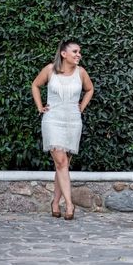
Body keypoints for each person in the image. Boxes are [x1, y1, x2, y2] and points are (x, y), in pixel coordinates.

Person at [32, 40, 94, 220]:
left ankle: (54, 202)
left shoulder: (81, 72)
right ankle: (69, 204)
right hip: (52, 120)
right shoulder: (50, 70)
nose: (78, 55)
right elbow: (35, 85)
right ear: (63, 54)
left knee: (62, 164)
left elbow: (89, 89)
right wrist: (39, 107)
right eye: (75, 51)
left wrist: (81, 107)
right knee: (61, 161)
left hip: (73, 122)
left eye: (79, 52)